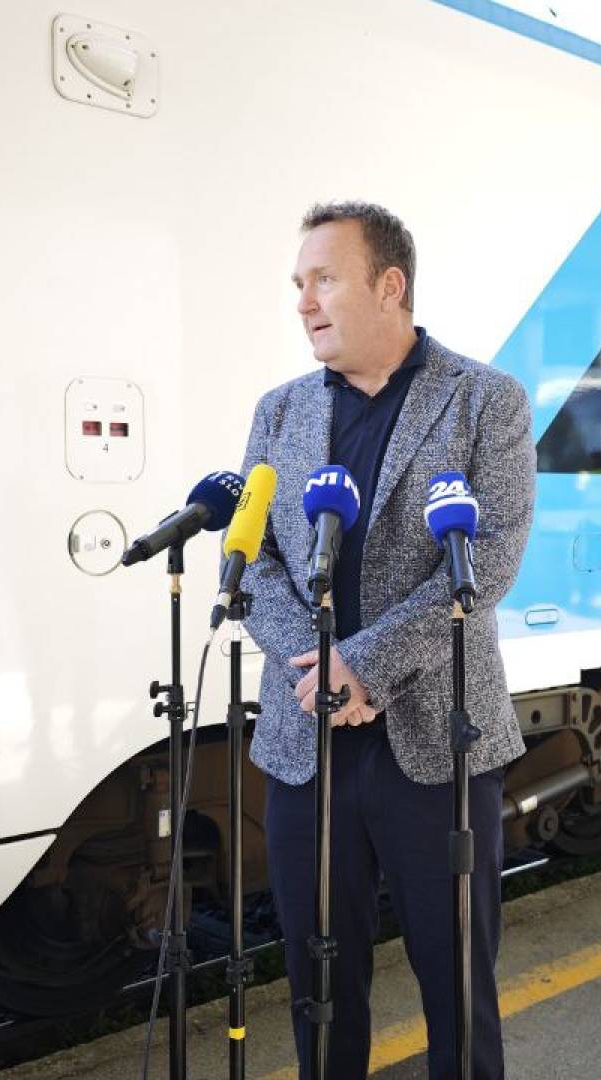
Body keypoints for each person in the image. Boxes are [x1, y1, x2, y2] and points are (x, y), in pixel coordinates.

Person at [236, 201, 535, 1080]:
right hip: (307, 742)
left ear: (389, 286)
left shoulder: (485, 400)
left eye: (324, 279)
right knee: (318, 987)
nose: (304, 302)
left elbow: (489, 557)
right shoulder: (279, 412)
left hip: (440, 744)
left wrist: (362, 665)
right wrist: (319, 670)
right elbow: (250, 563)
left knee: (457, 987)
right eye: (299, 283)